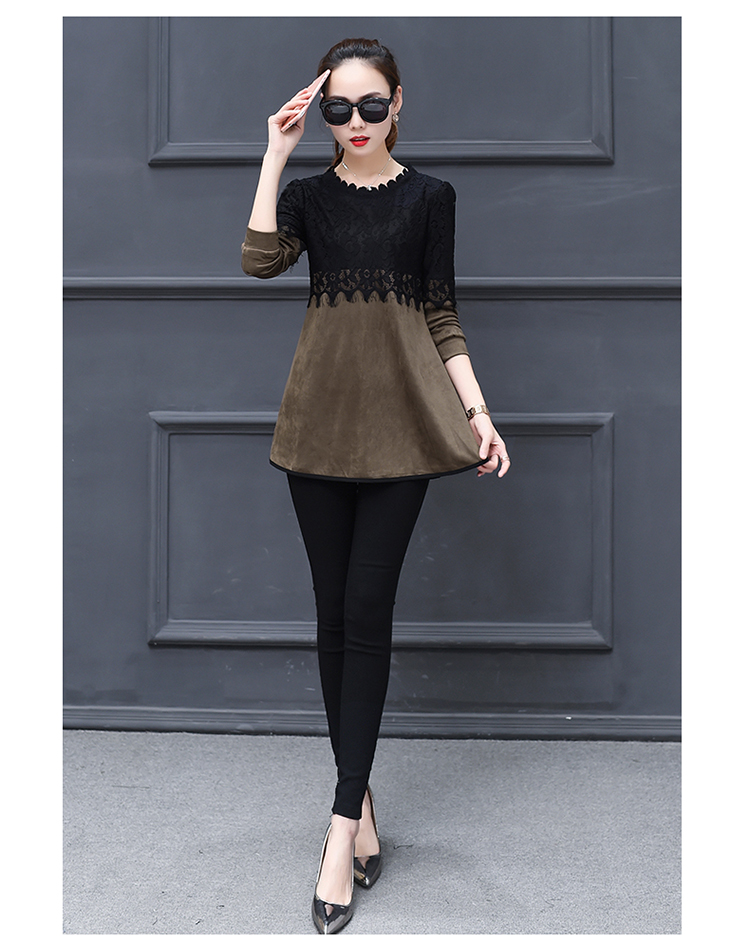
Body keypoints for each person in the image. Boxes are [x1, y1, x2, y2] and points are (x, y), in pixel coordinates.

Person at [241, 37, 510, 934]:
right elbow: (258, 261)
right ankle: (359, 804)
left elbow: (441, 314)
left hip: (401, 434)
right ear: (323, 116)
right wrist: (276, 153)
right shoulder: (308, 197)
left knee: (368, 615)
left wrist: (478, 413)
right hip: (316, 430)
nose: (355, 122)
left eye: (370, 105)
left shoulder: (431, 198)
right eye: (338, 109)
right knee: (333, 619)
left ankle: (337, 830)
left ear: (399, 104)